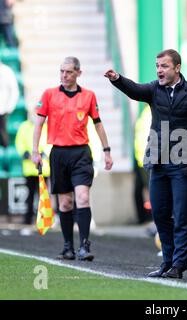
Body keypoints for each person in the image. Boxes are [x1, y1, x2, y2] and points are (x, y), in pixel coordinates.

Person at [105, 49, 187, 279]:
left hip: (185, 165)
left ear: (177, 68)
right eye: (157, 66)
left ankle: (178, 265)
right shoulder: (154, 89)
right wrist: (117, 79)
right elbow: (135, 90)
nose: (159, 70)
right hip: (158, 163)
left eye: (164, 66)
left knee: (182, 216)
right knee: (161, 214)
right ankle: (167, 262)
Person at [32, 56, 113, 261]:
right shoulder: (49, 94)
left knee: (83, 197)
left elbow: (98, 124)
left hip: (81, 153)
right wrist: (35, 151)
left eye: (68, 71)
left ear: (78, 73)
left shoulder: (88, 96)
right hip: (58, 154)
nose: (64, 75)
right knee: (65, 203)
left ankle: (84, 245)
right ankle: (68, 245)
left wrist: (107, 151)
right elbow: (39, 124)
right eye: (61, 71)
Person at [15, 108, 51, 225]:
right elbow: (19, 142)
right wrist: (26, 154)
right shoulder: (24, 126)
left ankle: (44, 219)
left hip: (43, 169)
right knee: (30, 195)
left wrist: (42, 154)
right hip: (29, 169)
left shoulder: (47, 127)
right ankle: (28, 219)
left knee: (44, 196)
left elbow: (50, 143)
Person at [0, 57, 19, 147]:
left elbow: (14, 90)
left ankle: (6, 156)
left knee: (3, 134)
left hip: (3, 108)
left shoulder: (7, 71)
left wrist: (9, 107)